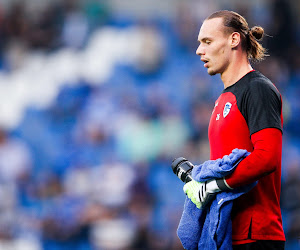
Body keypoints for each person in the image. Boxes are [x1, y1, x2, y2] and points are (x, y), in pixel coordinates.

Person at [183, 10, 286, 249]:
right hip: (227, 231)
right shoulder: (222, 99)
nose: (200, 50)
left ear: (234, 40)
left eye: (207, 41)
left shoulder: (258, 89)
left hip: (256, 234)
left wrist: (214, 185)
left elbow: (267, 156)